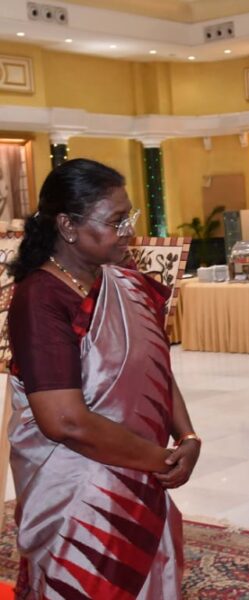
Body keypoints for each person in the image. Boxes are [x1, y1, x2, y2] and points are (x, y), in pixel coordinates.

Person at [6, 158, 200, 598]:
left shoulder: (126, 283)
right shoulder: (40, 299)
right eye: (115, 221)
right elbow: (65, 422)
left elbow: (155, 369)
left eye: (129, 217)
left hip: (143, 472)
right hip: (81, 495)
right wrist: (161, 460)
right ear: (68, 226)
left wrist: (187, 436)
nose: (128, 231)